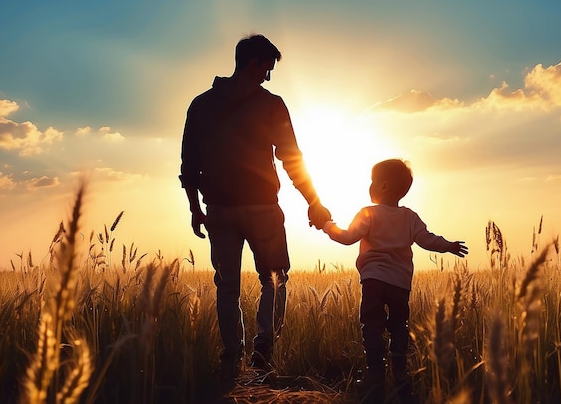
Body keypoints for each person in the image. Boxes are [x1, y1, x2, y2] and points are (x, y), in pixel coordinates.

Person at [179, 34, 331, 380]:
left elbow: (189, 164)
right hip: (262, 206)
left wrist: (194, 207)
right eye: (267, 69)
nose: (268, 77)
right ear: (254, 64)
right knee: (274, 280)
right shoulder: (271, 105)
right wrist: (314, 202)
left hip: (217, 208)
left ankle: (231, 357)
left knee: (227, 287)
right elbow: (292, 159)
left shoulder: (200, 104)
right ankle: (263, 351)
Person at [321, 159, 467, 401]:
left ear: (384, 186)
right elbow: (427, 239)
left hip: (373, 280)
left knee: (371, 326)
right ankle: (400, 375)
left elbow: (347, 237)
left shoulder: (368, 213)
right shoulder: (410, 217)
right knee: (400, 327)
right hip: (400, 283)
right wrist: (448, 246)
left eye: (373, 181)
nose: (370, 185)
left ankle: (375, 375)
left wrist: (328, 225)